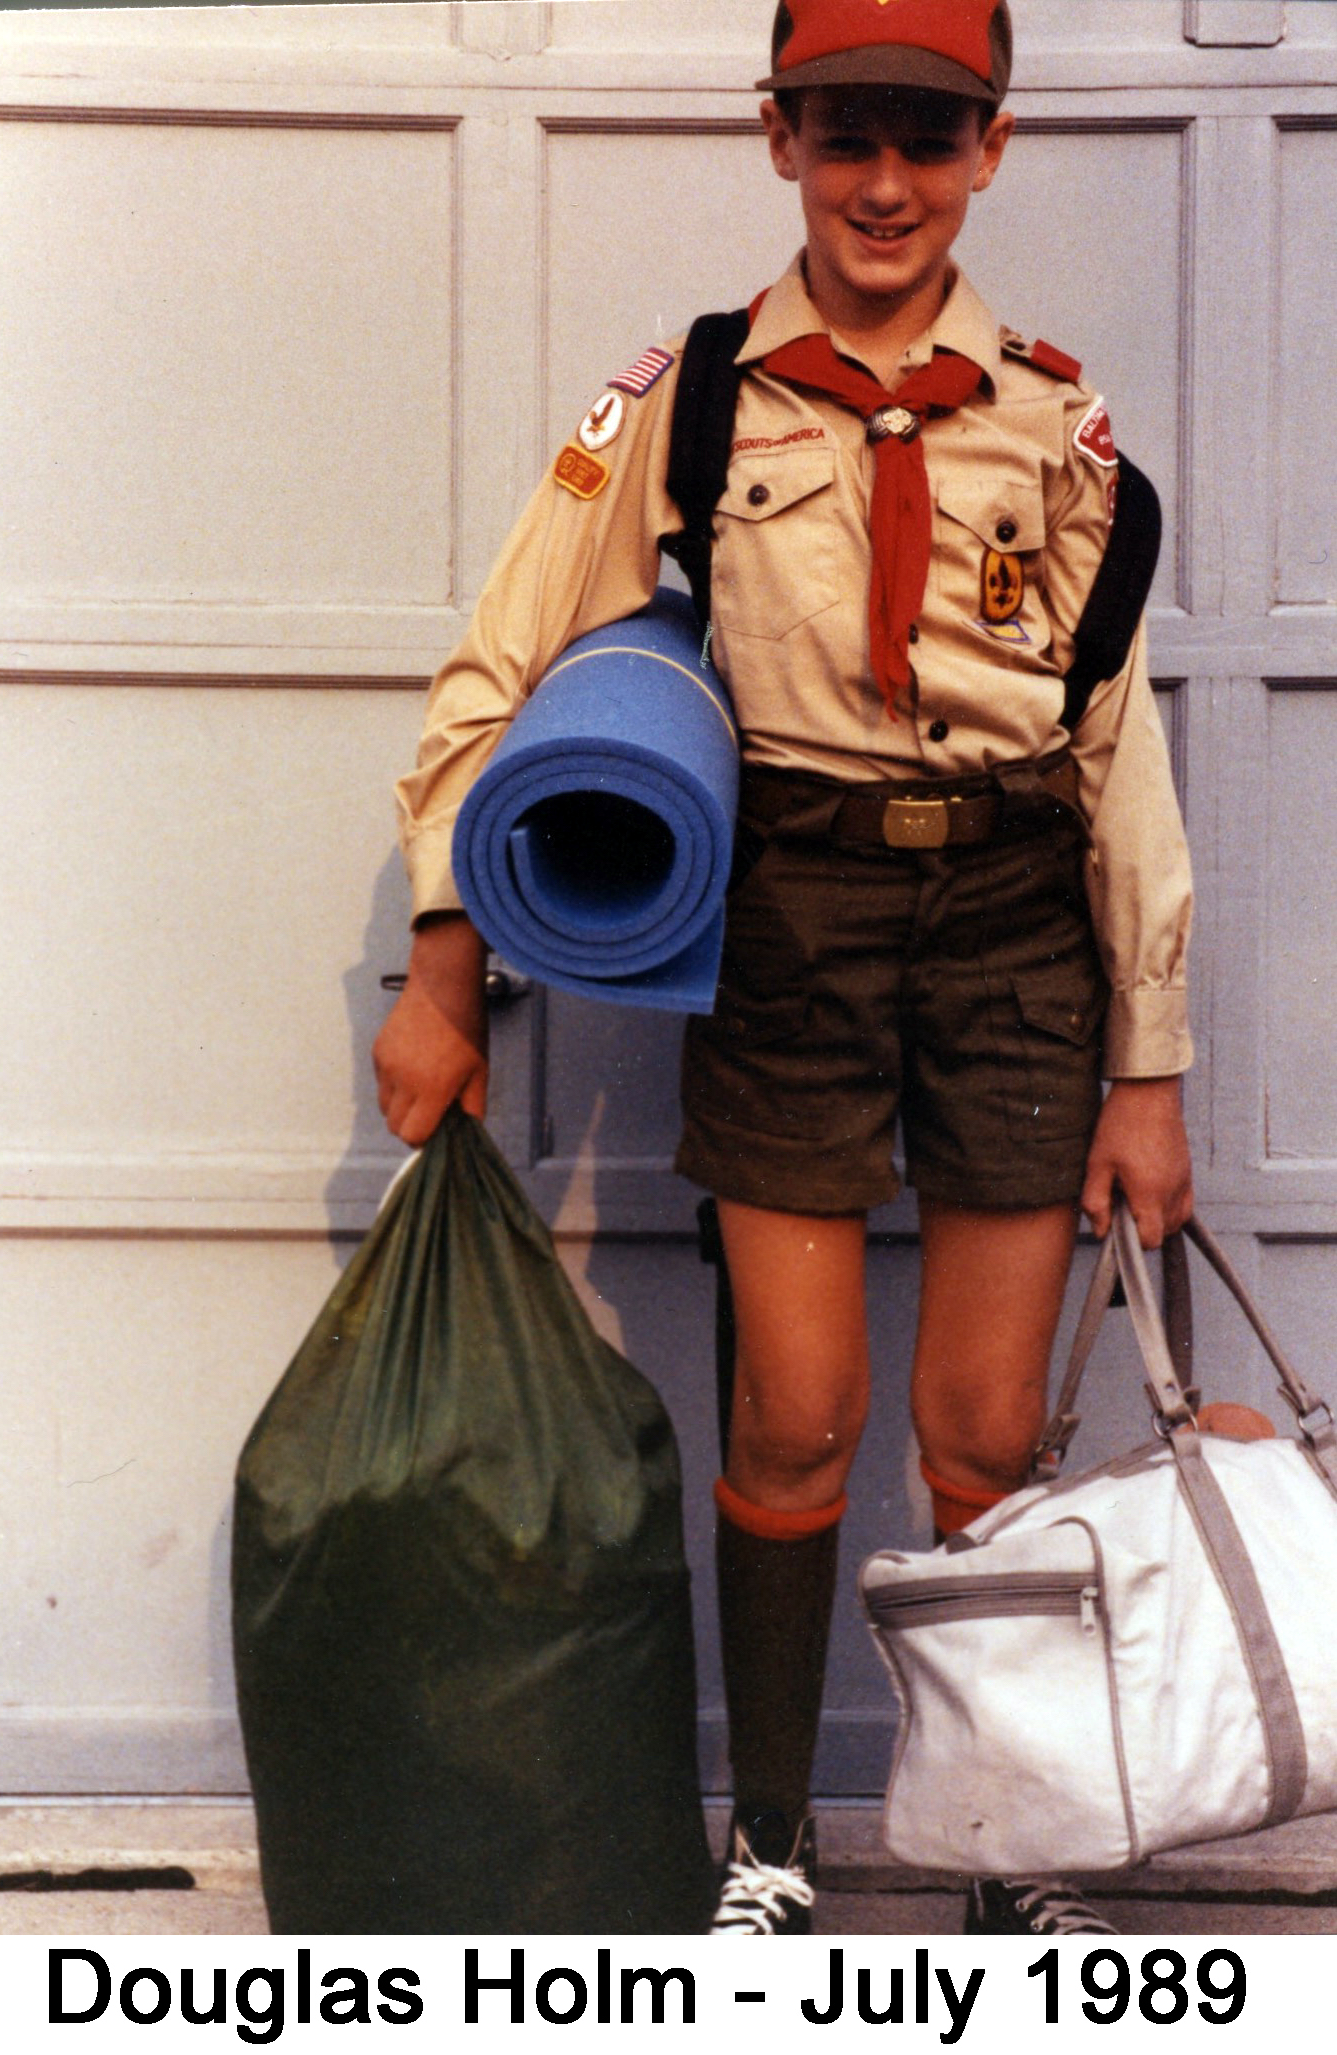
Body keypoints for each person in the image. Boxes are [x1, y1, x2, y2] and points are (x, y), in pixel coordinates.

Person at [373, 0, 1194, 1940]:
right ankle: (769, 1840)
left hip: (1010, 925)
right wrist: (442, 951)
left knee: (982, 1427)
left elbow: (1112, 738)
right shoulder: (698, 394)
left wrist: (1149, 1054)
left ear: (992, 147)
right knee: (796, 1406)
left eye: (929, 133)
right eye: (846, 133)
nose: (886, 180)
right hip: (794, 922)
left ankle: (1007, 1840)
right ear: (777, 137)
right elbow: (505, 660)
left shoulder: (1058, 426)